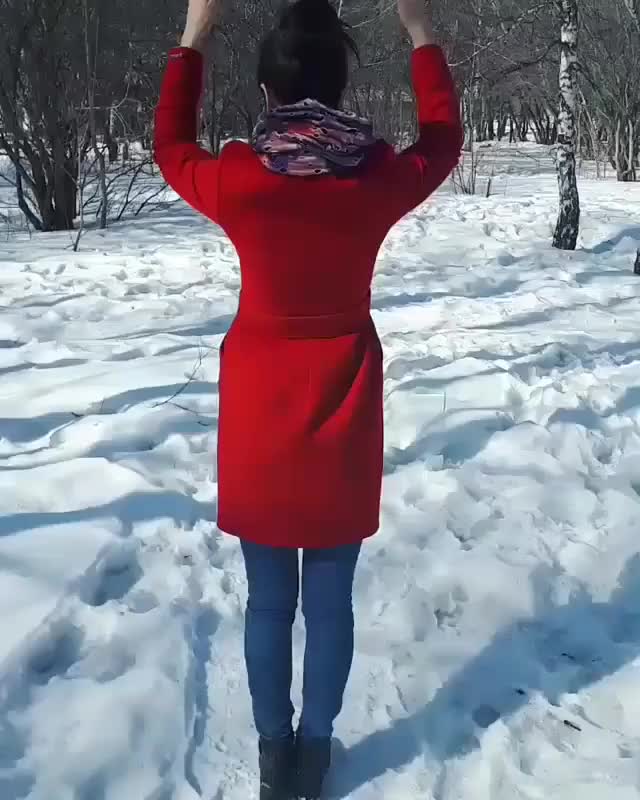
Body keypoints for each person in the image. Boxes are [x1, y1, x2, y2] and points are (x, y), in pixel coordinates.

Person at [154, 0, 462, 797]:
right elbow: (444, 141)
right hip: (344, 416)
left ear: (265, 92)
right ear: (342, 85)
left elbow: (169, 146)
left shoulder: (241, 184)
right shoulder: (373, 181)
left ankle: (270, 757)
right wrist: (421, 33)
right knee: (329, 606)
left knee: (267, 604)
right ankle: (314, 752)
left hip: (261, 425)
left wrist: (194, 36)